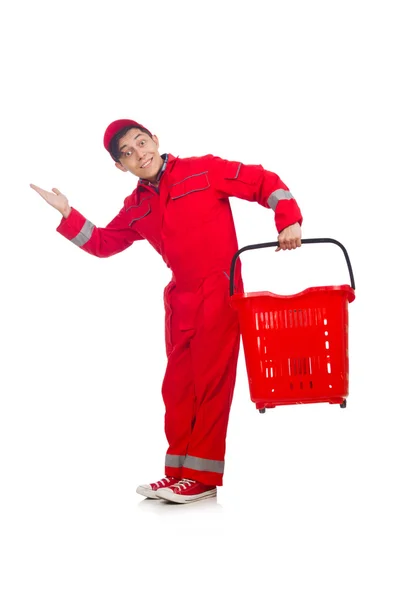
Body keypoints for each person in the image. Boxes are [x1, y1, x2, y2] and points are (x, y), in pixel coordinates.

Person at [31, 118, 303, 504]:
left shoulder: (203, 170)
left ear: (155, 140)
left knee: (211, 386)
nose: (139, 153)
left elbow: (263, 181)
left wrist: (288, 219)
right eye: (127, 153)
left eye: (142, 142)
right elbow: (104, 244)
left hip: (220, 293)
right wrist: (67, 213)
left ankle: (202, 478)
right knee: (177, 389)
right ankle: (178, 472)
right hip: (180, 302)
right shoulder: (137, 206)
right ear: (120, 166)